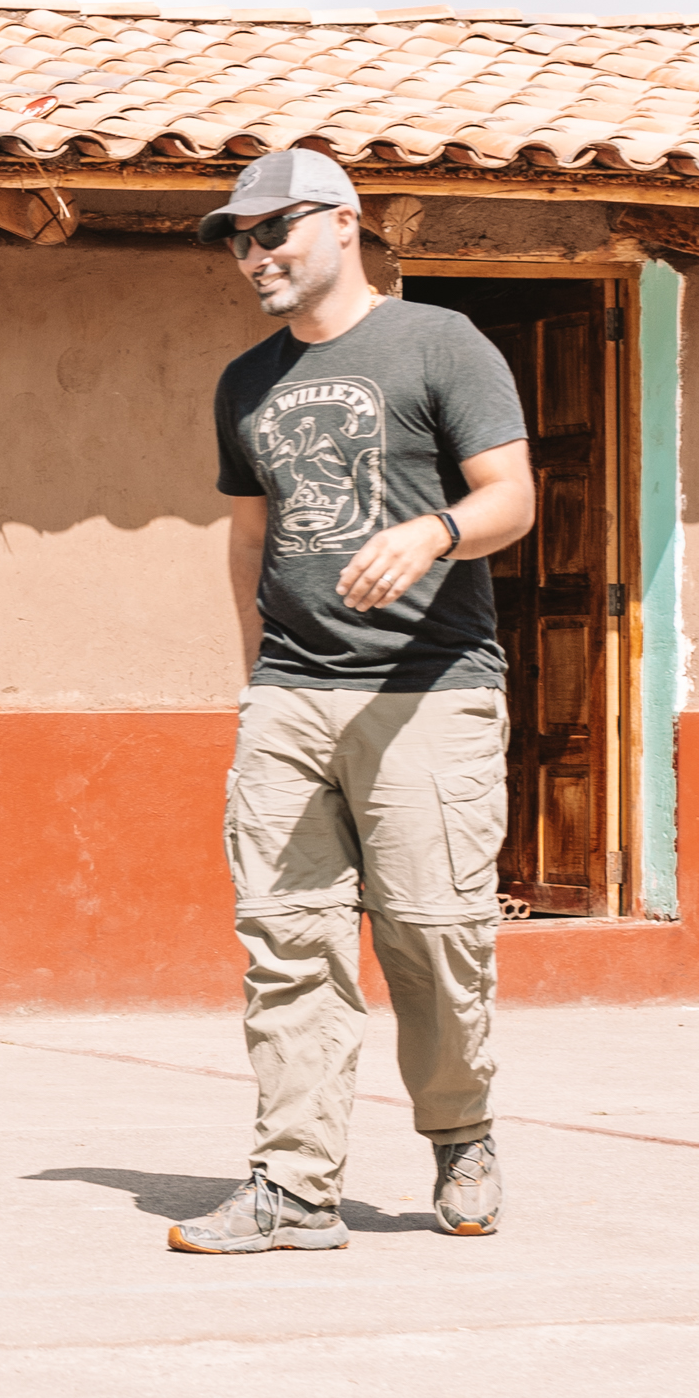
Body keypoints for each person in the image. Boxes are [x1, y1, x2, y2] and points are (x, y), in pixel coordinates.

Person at [171, 150, 534, 1255]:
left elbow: (512, 496)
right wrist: (256, 682)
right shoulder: (246, 380)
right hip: (291, 694)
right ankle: (293, 1187)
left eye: (273, 229)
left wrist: (431, 531)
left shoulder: (440, 343)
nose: (254, 254)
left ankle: (460, 1129)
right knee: (288, 942)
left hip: (428, 690)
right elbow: (247, 533)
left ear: (344, 222)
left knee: (434, 936)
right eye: (238, 237)